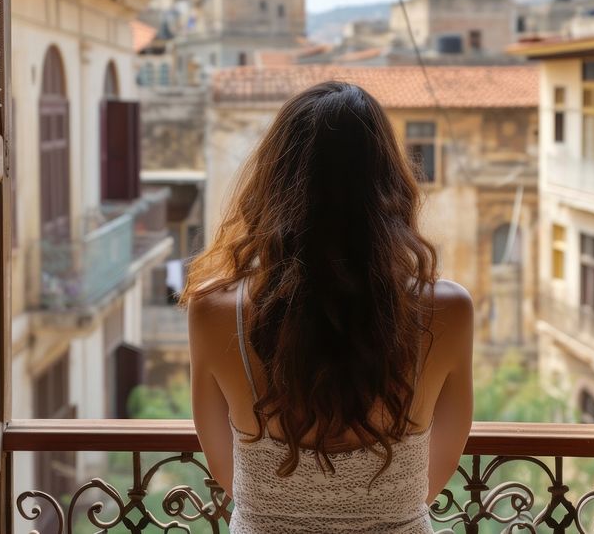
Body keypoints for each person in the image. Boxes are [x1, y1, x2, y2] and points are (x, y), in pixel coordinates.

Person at [182, 81, 473, 533]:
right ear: (388, 182)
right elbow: (432, 479)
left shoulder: (212, 311)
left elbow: (227, 472)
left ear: (272, 182)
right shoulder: (448, 311)